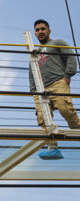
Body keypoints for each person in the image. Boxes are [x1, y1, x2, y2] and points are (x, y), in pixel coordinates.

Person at [29, 19, 80, 160]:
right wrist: (33, 90)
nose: (40, 31)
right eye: (38, 30)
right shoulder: (34, 52)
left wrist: (67, 76)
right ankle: (52, 148)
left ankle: (78, 132)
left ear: (49, 31)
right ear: (35, 33)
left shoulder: (58, 43)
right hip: (40, 88)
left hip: (58, 82)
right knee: (43, 118)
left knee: (65, 108)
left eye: (43, 29)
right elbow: (31, 72)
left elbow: (70, 58)